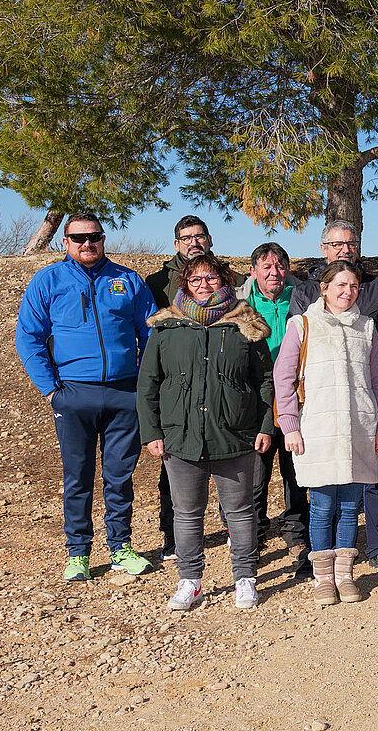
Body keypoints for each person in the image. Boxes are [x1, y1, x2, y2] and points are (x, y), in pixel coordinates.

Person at [16, 212, 158, 581]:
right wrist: (50, 390)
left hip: (124, 393)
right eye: (78, 238)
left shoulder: (127, 279)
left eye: (93, 236)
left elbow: (153, 332)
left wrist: (144, 383)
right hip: (72, 394)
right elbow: (28, 338)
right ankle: (78, 552)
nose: (87, 244)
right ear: (65, 242)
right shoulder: (48, 281)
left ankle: (121, 547)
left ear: (103, 238)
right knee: (77, 475)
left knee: (119, 475)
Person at [137, 253, 275, 610]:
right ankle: (190, 580)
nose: (204, 285)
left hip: (236, 435)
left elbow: (264, 381)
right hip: (180, 437)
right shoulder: (167, 328)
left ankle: (245, 578)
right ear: (185, 284)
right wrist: (152, 431)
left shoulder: (245, 325)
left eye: (211, 278)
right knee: (186, 512)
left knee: (241, 510)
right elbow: (148, 383)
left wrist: (264, 427)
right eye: (196, 279)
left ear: (224, 281)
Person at [275, 261, 378, 606]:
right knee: (323, 507)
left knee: (350, 504)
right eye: (340, 285)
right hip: (318, 428)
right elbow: (283, 380)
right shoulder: (302, 324)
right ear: (324, 287)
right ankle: (323, 577)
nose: (347, 292)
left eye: (354, 286)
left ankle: (345, 574)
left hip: (359, 428)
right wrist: (290, 425)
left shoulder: (367, 327)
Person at [289, 220, 378, 575]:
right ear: (324, 249)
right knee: (322, 498)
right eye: (336, 244)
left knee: (363, 488)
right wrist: (291, 420)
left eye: (350, 243)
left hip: (361, 408)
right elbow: (292, 362)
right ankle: (317, 561)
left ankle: (375, 550)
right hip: (320, 410)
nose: (344, 249)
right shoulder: (305, 296)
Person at [145, 214, 240, 561]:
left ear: (210, 239)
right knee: (175, 470)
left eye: (199, 236)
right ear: (176, 244)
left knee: (230, 467)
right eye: (186, 238)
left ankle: (233, 526)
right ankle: (172, 535)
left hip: (221, 381)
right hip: (178, 386)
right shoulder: (156, 282)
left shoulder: (233, 278)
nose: (193, 242)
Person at [235, 242, 311, 577]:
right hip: (256, 399)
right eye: (266, 267)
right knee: (255, 474)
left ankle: (296, 533)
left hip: (297, 395)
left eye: (280, 265)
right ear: (253, 271)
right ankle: (253, 533)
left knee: (295, 472)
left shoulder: (302, 299)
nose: (274, 273)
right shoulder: (239, 306)